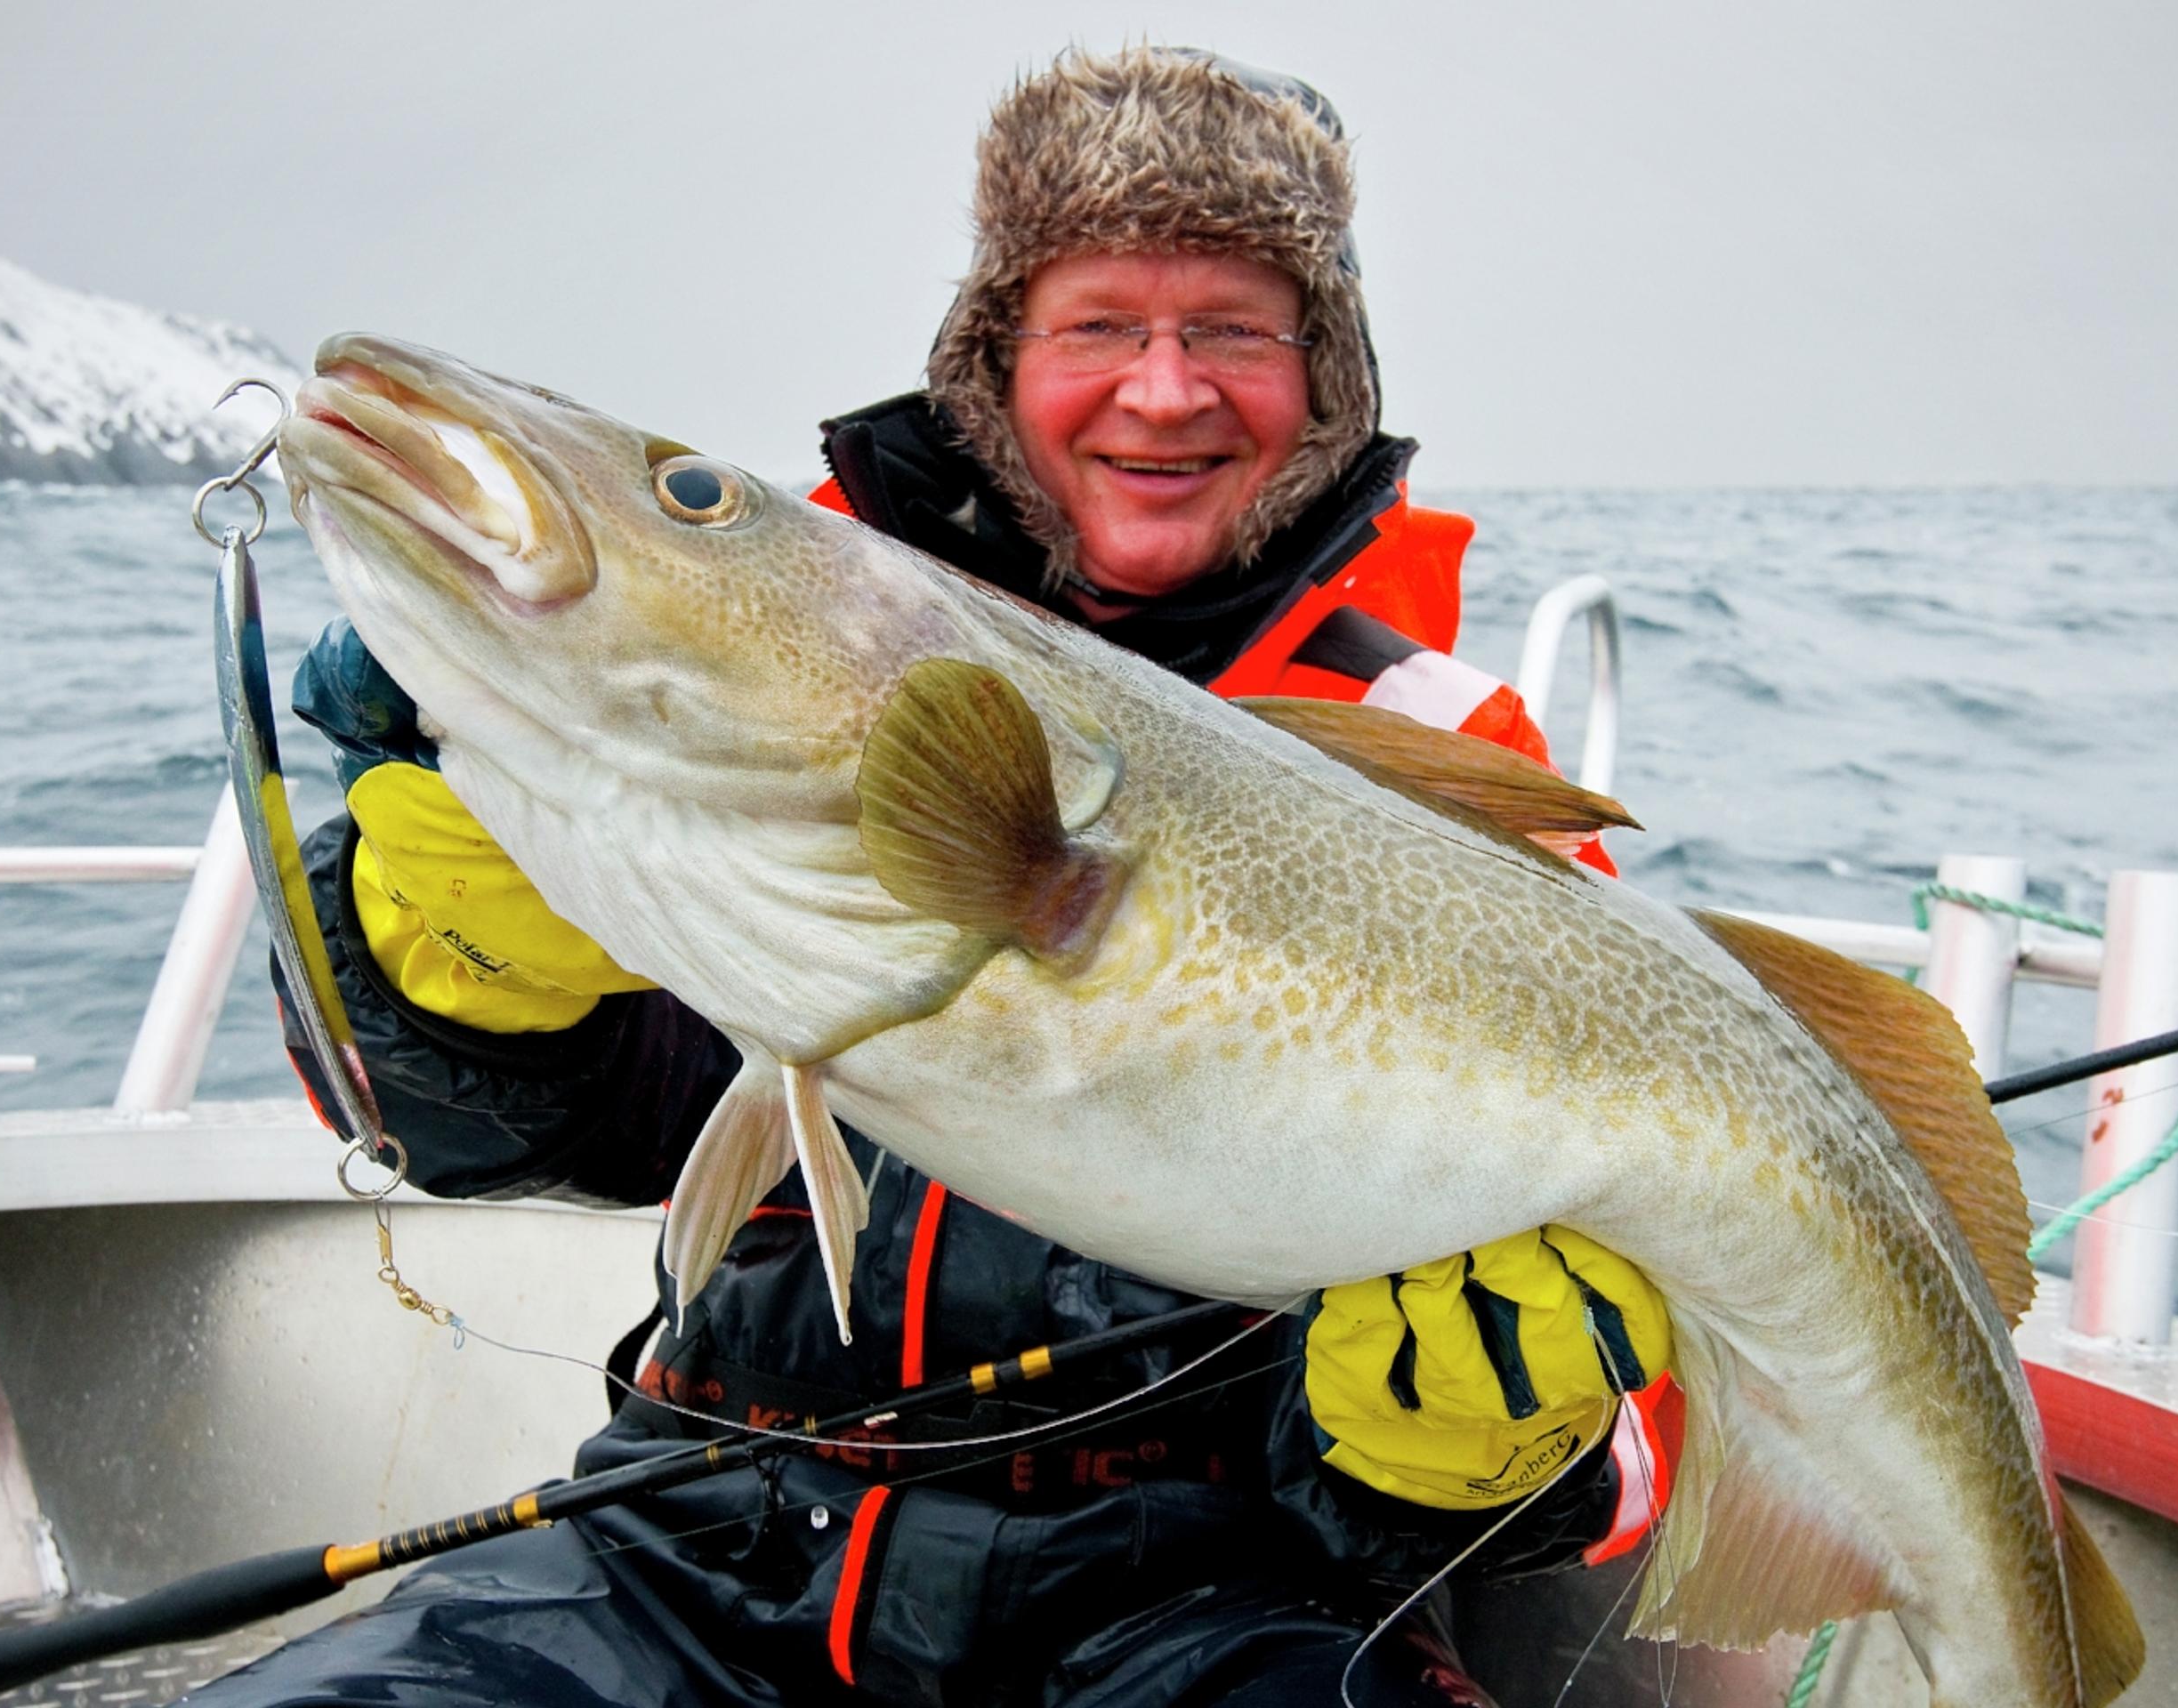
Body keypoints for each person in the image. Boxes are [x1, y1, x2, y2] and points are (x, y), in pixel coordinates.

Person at [198, 46, 1679, 1708]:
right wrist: (458, 979)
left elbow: (1641, 1430)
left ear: (1323, 372)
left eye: (1236, 329)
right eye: (1099, 323)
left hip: (1215, 1607)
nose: (1166, 388)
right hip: (695, 1538)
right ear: (998, 356)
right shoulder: (785, 630)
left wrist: (1474, 1456)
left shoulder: (1441, 752)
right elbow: (520, 1135)